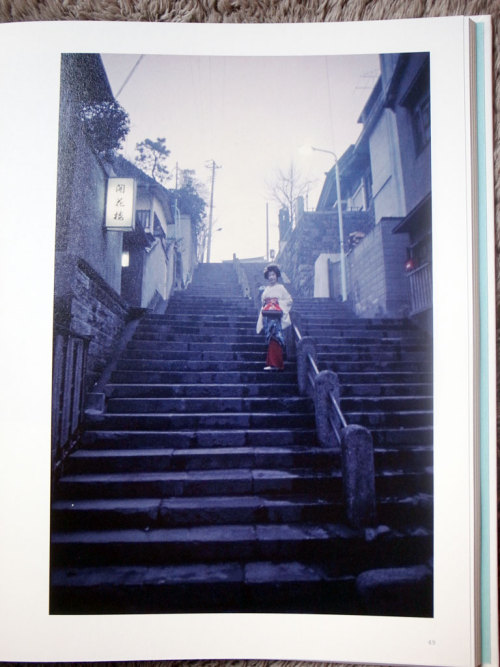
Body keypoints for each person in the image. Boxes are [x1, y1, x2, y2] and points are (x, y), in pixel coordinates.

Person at [256, 264, 292, 371]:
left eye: (273, 275)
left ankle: (276, 364)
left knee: (276, 338)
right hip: (268, 316)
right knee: (270, 338)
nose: (271, 277)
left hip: (276, 317)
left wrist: (277, 302)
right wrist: (266, 303)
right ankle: (272, 363)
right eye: (269, 275)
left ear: (277, 276)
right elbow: (263, 302)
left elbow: (289, 300)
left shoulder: (281, 288)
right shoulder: (266, 289)